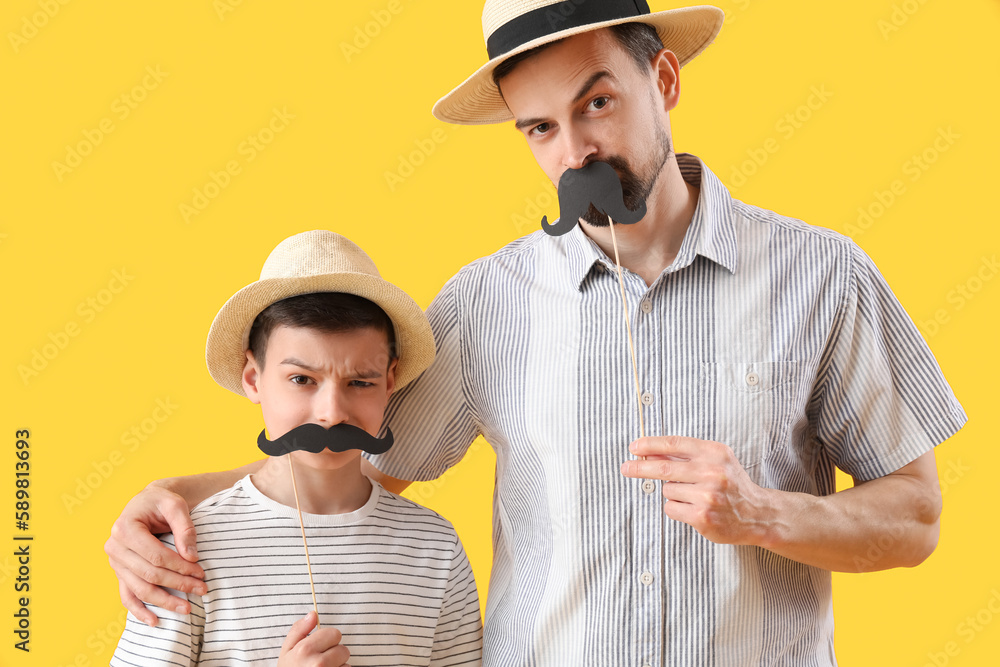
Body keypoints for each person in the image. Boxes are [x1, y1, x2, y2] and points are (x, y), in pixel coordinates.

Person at [105, 2, 967, 665]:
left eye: (597, 103)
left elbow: (916, 516)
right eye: (540, 129)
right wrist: (174, 495)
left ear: (663, 81)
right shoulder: (486, 302)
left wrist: (764, 513)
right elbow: (345, 451)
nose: (575, 153)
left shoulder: (822, 274)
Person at [110, 230, 482, 667]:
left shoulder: (435, 547)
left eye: (359, 382)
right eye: (302, 379)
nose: (331, 413)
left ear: (390, 380)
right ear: (253, 379)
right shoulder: (187, 551)